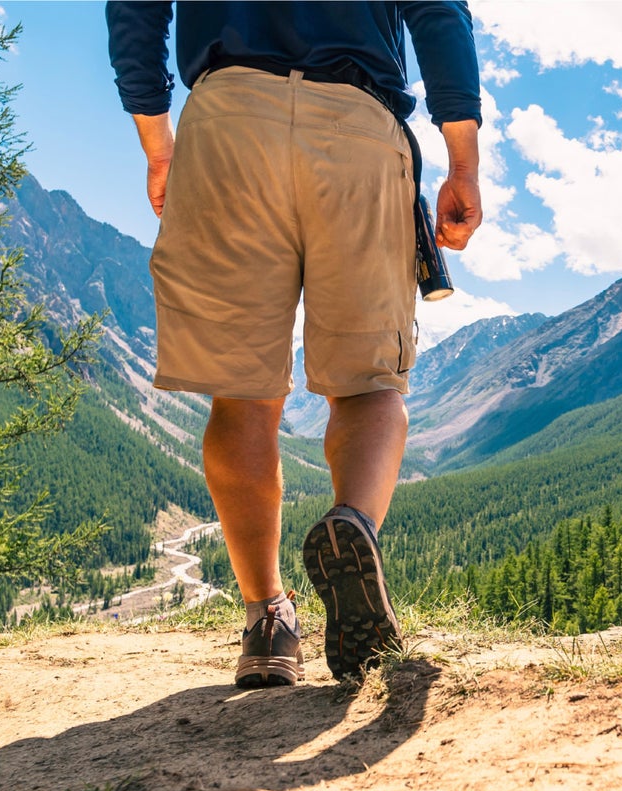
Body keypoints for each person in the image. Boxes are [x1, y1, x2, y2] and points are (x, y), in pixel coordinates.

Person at [106, 1, 482, 686]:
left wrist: (158, 144)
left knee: (243, 394)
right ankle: (352, 525)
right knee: (370, 383)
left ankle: (267, 624)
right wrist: (463, 161)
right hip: (357, 122)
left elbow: (135, 10)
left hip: (226, 119)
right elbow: (437, 11)